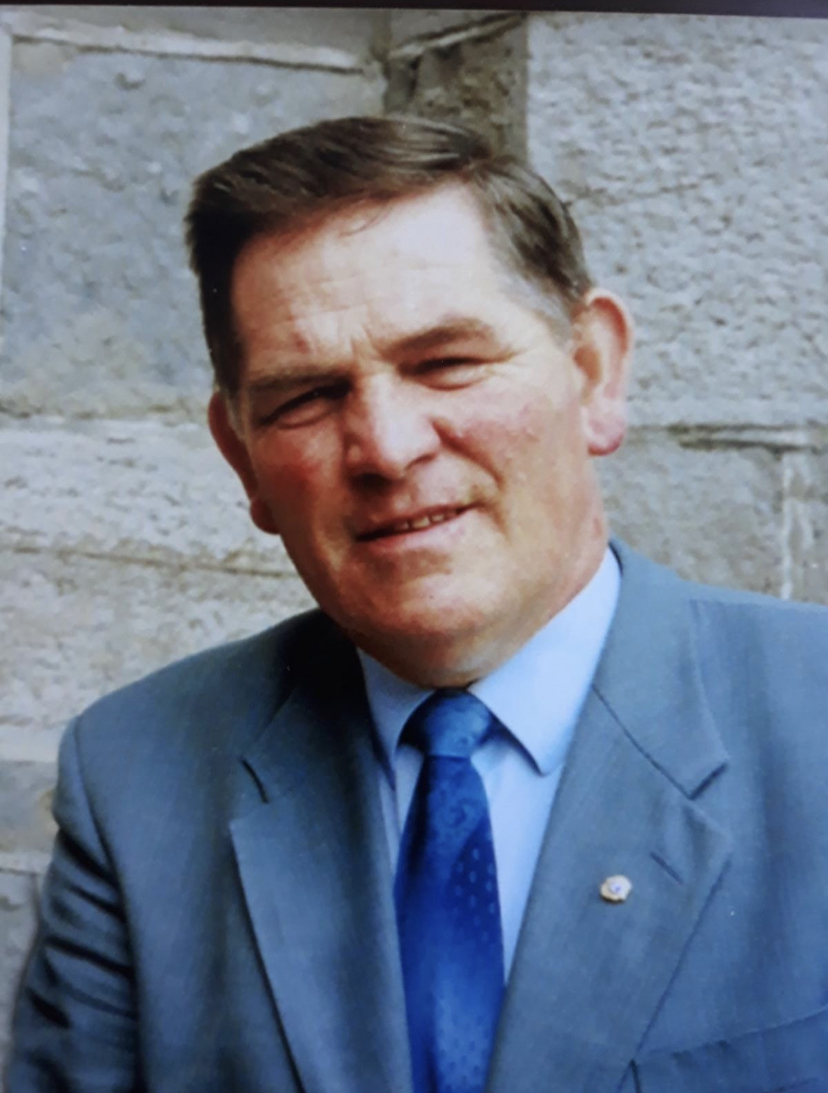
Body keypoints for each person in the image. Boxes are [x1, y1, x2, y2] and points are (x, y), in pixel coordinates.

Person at [8, 115, 828, 1093]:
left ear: (593, 372)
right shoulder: (139, 779)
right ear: (243, 458)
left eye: (446, 363)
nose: (388, 448)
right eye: (306, 397)